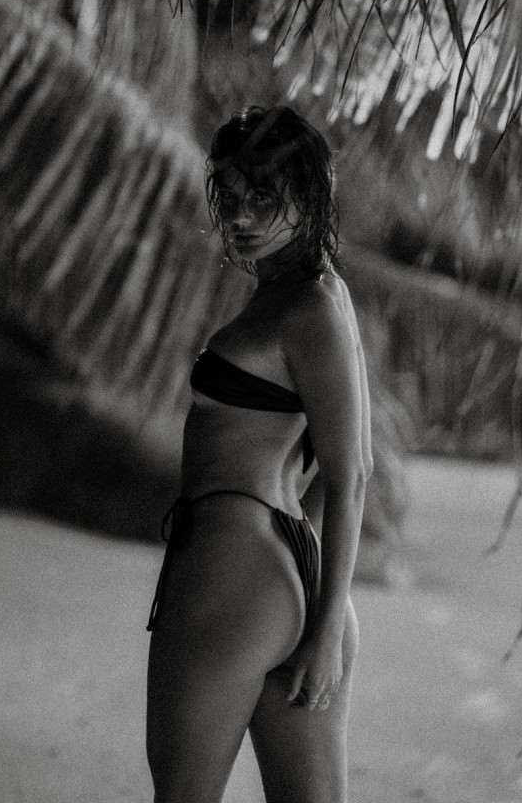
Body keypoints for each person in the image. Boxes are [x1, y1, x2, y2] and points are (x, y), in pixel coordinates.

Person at [146, 105, 373, 803]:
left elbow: (352, 473)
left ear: (309, 196)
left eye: (264, 197)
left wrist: (325, 630)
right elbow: (339, 468)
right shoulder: (319, 295)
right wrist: (309, 591)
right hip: (281, 565)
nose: (240, 216)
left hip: (232, 570)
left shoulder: (307, 309)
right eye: (231, 194)